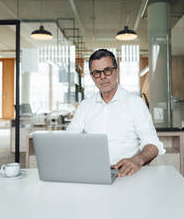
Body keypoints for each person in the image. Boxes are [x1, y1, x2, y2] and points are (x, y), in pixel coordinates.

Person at [67, 49, 165, 177]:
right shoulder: (85, 106)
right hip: (92, 175)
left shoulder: (135, 103)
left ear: (116, 71)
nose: (102, 77)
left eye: (107, 70)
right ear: (92, 77)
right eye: (97, 73)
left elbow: (152, 144)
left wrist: (137, 160)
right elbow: (68, 140)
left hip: (127, 175)